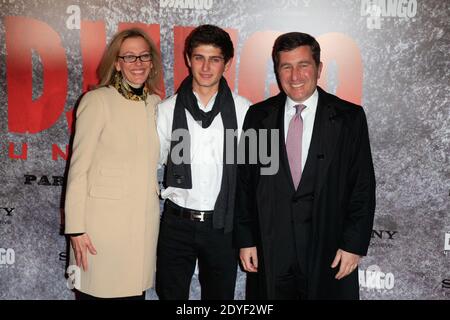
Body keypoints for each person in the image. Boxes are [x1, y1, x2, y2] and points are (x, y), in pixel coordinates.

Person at [234, 32, 376, 300]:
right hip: (271, 250)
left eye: (303, 65)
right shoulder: (259, 116)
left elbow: (362, 187)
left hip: (329, 250)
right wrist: (246, 238)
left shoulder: (349, 118)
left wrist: (353, 245)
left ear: (319, 68)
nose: (295, 76)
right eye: (286, 66)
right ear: (277, 70)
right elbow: (245, 184)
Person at [64, 28, 162, 300]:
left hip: (142, 227)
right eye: (129, 57)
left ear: (152, 62)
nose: (138, 63)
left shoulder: (157, 105)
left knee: (133, 294)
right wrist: (76, 228)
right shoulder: (97, 101)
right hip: (100, 230)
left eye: (144, 56)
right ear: (117, 63)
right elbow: (78, 169)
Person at [156, 24, 250, 300]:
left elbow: (259, 178)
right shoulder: (166, 110)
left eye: (215, 59)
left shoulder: (248, 111)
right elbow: (151, 167)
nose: (206, 67)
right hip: (176, 223)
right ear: (188, 59)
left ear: (227, 63)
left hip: (223, 226)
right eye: (199, 57)